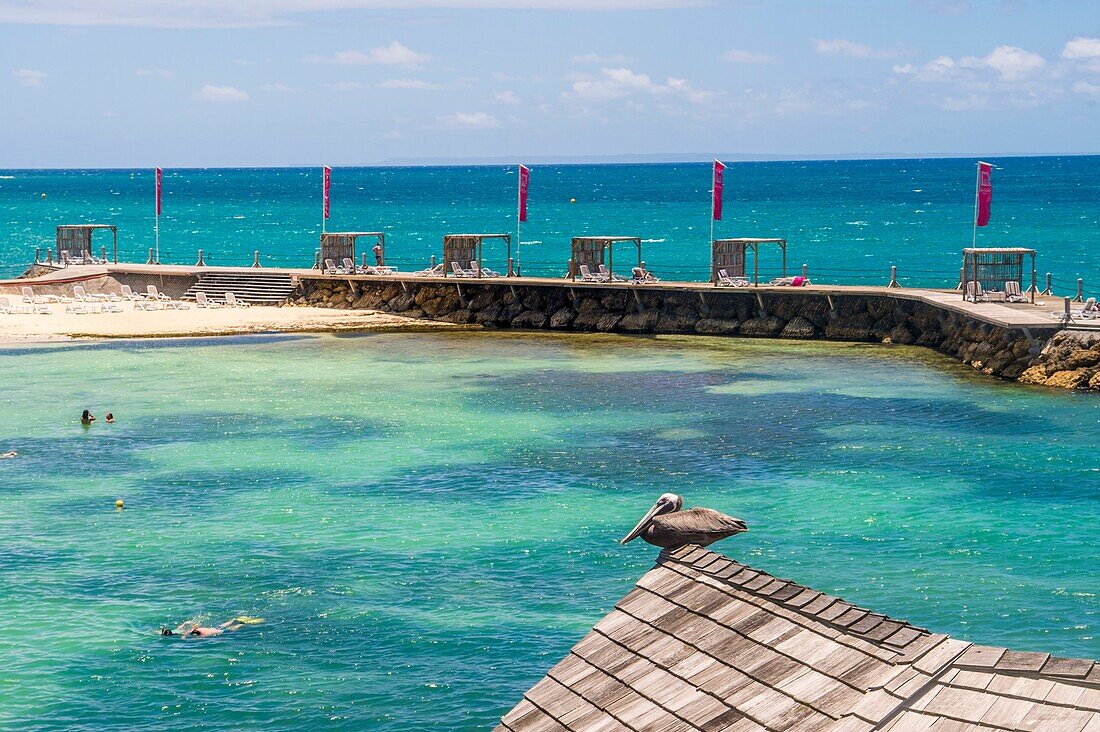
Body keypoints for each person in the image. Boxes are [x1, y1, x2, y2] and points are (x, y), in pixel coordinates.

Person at [161, 619, 244, 638]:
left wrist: (184, 637)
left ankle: (242, 625)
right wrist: (185, 623)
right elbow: (183, 625)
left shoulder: (185, 633)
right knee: (223, 625)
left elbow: (194, 634)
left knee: (232, 629)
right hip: (215, 628)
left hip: (220, 631)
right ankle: (234, 621)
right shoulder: (179, 629)